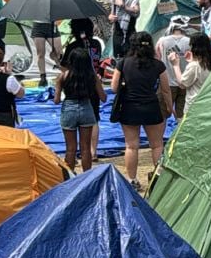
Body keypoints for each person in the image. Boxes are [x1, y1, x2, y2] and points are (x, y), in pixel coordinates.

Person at [111, 31, 172, 186]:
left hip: (129, 108)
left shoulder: (123, 63)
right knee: (157, 145)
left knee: (131, 146)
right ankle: (158, 180)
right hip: (151, 107)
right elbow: (165, 89)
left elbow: (113, 87)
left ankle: (132, 179)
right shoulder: (158, 65)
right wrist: (169, 107)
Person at [54, 42, 102, 172]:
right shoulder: (92, 77)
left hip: (69, 108)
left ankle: (69, 178)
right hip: (86, 107)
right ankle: (86, 177)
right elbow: (103, 97)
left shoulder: (62, 77)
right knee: (85, 148)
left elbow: (56, 100)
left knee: (70, 148)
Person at [168, 32, 211, 115]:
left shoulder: (194, 66)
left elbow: (182, 84)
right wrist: (192, 61)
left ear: (193, 47)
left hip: (195, 106)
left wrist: (175, 65)